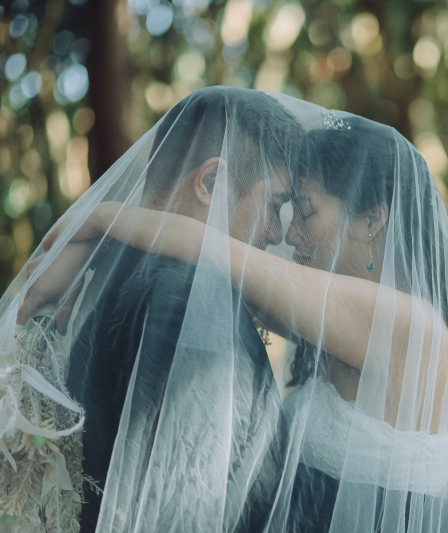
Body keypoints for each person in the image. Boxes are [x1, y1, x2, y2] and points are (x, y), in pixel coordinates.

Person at [38, 97, 448, 532]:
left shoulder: (405, 321)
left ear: (371, 220)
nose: (288, 234)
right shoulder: (334, 321)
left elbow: (218, 250)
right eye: (287, 208)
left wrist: (102, 220)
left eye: (305, 211)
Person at [9, 87, 304, 531]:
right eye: (274, 204)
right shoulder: (194, 302)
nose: (276, 235)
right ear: (210, 183)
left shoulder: (102, 267)